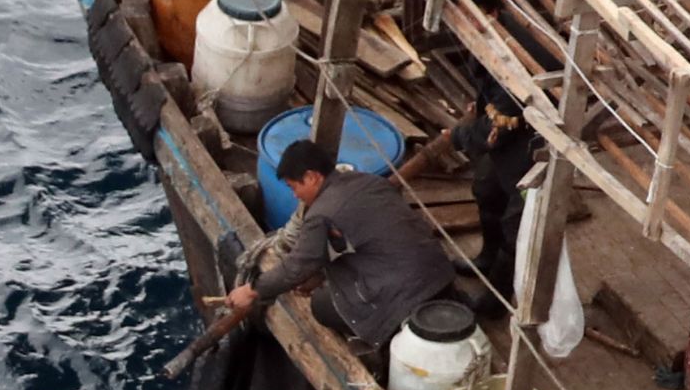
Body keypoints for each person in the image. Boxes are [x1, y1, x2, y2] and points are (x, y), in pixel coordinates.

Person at [228, 139, 452, 356]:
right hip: (438, 272)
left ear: (311, 177)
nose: (295, 195)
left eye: (294, 187)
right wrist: (318, 274)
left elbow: (296, 267)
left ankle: (383, 341)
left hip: (406, 295)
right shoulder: (369, 181)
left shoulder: (320, 213)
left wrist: (251, 291)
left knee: (322, 303)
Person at [397, 84, 537, 301]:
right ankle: (487, 258)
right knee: (486, 190)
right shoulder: (495, 67)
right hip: (509, 142)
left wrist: (459, 137)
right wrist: (482, 104)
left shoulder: (520, 81)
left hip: (535, 153)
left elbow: (498, 126)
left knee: (515, 227)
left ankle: (496, 298)